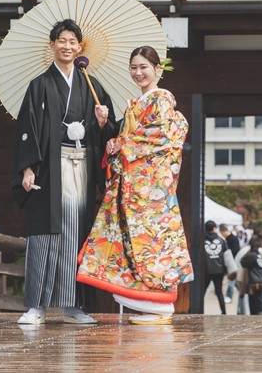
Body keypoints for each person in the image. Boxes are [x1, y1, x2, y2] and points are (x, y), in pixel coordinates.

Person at [76, 45, 193, 325]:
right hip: (136, 186)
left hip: (149, 189)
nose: (138, 72)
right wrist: (107, 125)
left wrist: (122, 142)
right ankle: (149, 302)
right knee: (136, 242)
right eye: (134, 67)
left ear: (157, 69)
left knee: (151, 241)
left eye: (144, 67)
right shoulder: (137, 102)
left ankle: (160, 303)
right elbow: (130, 136)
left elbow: (161, 135)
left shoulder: (161, 98)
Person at [12, 19, 117, 326]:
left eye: (73, 41)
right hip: (49, 167)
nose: (67, 46)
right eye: (62, 40)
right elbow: (26, 129)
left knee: (77, 232)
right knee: (44, 232)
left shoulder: (92, 85)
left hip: (82, 164)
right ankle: (36, 306)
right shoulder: (40, 85)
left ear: (80, 47)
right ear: (52, 45)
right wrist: (27, 168)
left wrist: (102, 122)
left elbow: (110, 133)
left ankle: (73, 305)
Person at [240, 234, 262, 315]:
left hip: (256, 281)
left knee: (259, 302)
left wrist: (248, 252)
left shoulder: (253, 255)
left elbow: (243, 262)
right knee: (258, 300)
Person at [204, 220, 229, 314]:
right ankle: (224, 312)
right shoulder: (221, 240)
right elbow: (226, 256)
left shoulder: (202, 239)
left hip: (206, 270)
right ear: (214, 228)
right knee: (219, 292)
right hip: (219, 270)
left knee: (203, 291)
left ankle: (198, 310)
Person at [220, 224, 241, 303]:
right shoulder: (228, 239)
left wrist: (227, 253)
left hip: (233, 262)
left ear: (224, 232)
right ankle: (242, 293)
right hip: (230, 261)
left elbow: (236, 250)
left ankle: (229, 296)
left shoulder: (233, 239)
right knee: (234, 281)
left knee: (231, 280)